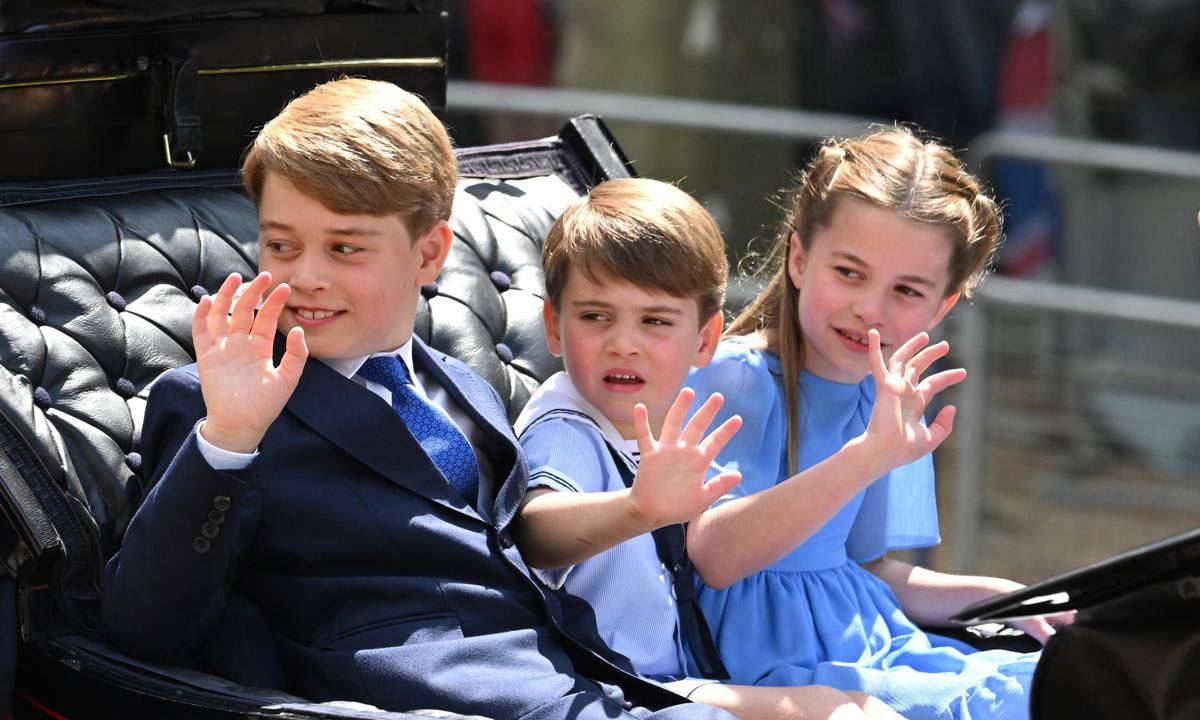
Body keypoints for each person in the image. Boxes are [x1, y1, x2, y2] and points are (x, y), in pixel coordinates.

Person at [99, 77, 736, 720]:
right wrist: (229, 438)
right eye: (281, 245)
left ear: (429, 253)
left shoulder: (467, 389)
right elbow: (144, 629)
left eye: (344, 247)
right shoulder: (215, 403)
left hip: (585, 685)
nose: (304, 277)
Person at [513, 177, 966, 720]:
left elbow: (866, 565)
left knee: (846, 707)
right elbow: (534, 531)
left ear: (704, 339)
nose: (624, 342)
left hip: (675, 674)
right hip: (612, 681)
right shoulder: (569, 422)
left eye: (654, 321)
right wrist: (636, 509)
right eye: (595, 317)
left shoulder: (654, 423)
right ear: (554, 328)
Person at [683, 125, 1072, 720]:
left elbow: (870, 570)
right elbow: (713, 556)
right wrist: (867, 455)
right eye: (849, 273)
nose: (870, 308)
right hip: (785, 672)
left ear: (942, 306)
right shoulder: (732, 376)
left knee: (1065, 676)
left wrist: (1001, 597)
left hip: (879, 645)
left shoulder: (889, 396)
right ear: (798, 258)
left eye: (906, 290)